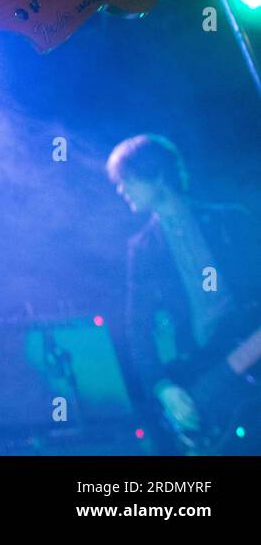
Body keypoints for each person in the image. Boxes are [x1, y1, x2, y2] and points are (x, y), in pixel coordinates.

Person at [108, 133, 260, 452]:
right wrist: (163, 387)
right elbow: (137, 329)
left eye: (128, 180)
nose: (121, 190)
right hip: (201, 374)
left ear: (157, 175)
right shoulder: (143, 249)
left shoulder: (230, 221)